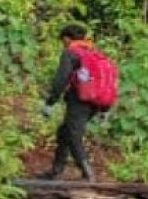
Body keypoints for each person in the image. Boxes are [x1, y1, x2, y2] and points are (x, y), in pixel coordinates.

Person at [41, 24, 103, 181]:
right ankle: (56, 171)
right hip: (96, 101)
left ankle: (88, 173)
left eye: (63, 40)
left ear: (67, 38)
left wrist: (50, 102)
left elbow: (61, 79)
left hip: (80, 100)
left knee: (72, 135)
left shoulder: (71, 52)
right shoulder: (92, 52)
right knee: (64, 132)